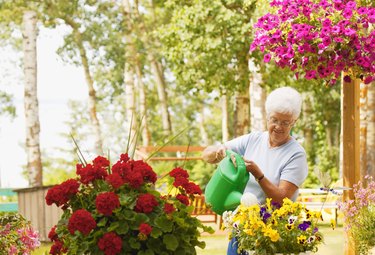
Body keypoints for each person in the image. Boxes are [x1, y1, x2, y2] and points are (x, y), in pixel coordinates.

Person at [202, 86, 308, 255]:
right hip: (243, 229)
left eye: (285, 122)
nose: (278, 127)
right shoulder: (253, 139)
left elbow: (282, 199)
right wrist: (219, 151)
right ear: (267, 117)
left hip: (273, 235)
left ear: (294, 121)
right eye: (274, 120)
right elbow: (206, 155)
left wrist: (258, 174)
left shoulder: (296, 154)